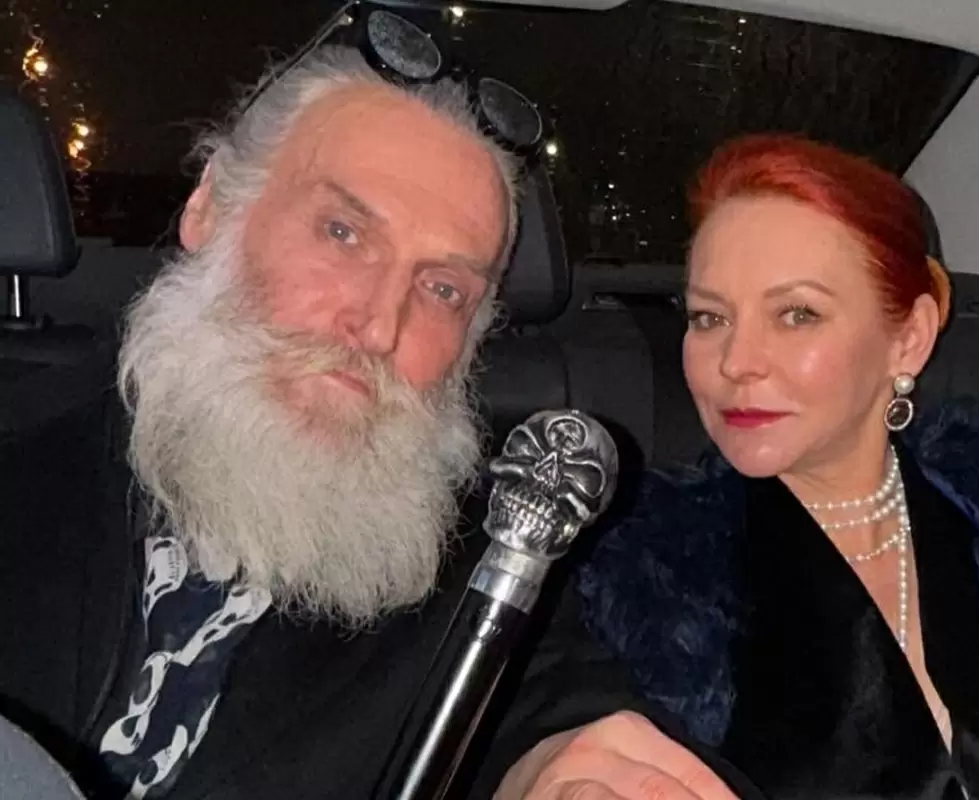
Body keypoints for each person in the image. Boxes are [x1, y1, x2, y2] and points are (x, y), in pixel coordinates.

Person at [0, 16, 746, 800]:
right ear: (211, 206)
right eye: (343, 232)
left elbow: (547, 707)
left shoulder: (471, 564)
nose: (381, 325)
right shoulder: (23, 446)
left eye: (443, 289)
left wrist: (560, 770)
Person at [574, 133, 979, 798]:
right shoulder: (640, 583)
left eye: (796, 314)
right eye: (708, 317)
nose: (735, 361)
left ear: (908, 338)